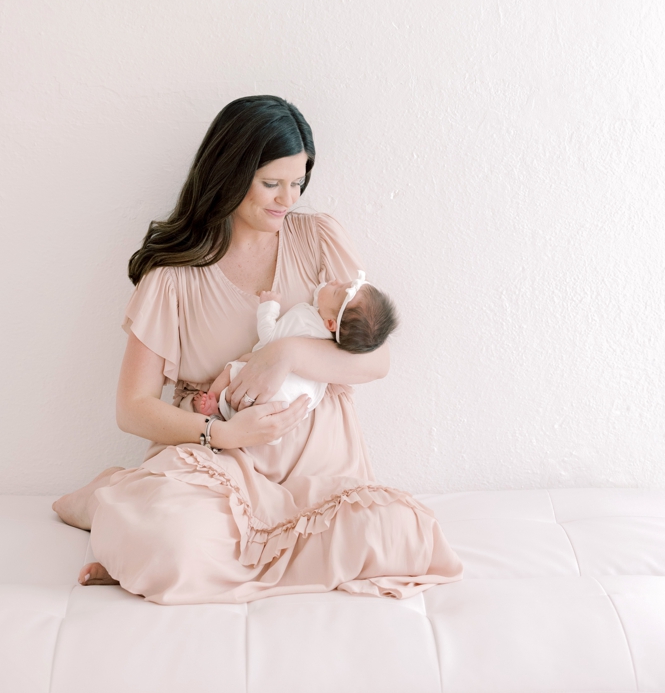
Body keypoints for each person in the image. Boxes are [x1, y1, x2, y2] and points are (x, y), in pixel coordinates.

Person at [53, 95, 462, 604]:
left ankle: (158, 543)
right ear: (230, 172)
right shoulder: (174, 276)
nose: (287, 199)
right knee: (173, 544)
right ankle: (119, 508)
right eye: (272, 183)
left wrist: (285, 354)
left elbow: (376, 359)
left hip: (318, 476)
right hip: (218, 470)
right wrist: (225, 433)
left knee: (402, 535)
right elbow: (132, 408)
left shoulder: (318, 239)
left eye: (298, 183)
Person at [191, 275, 399, 422]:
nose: (335, 280)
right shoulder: (339, 340)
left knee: (233, 368)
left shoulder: (303, 319)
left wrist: (268, 308)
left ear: (330, 323)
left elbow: (269, 338)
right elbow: (325, 301)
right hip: (287, 408)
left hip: (261, 389)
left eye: (336, 289)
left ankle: (213, 401)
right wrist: (330, 293)